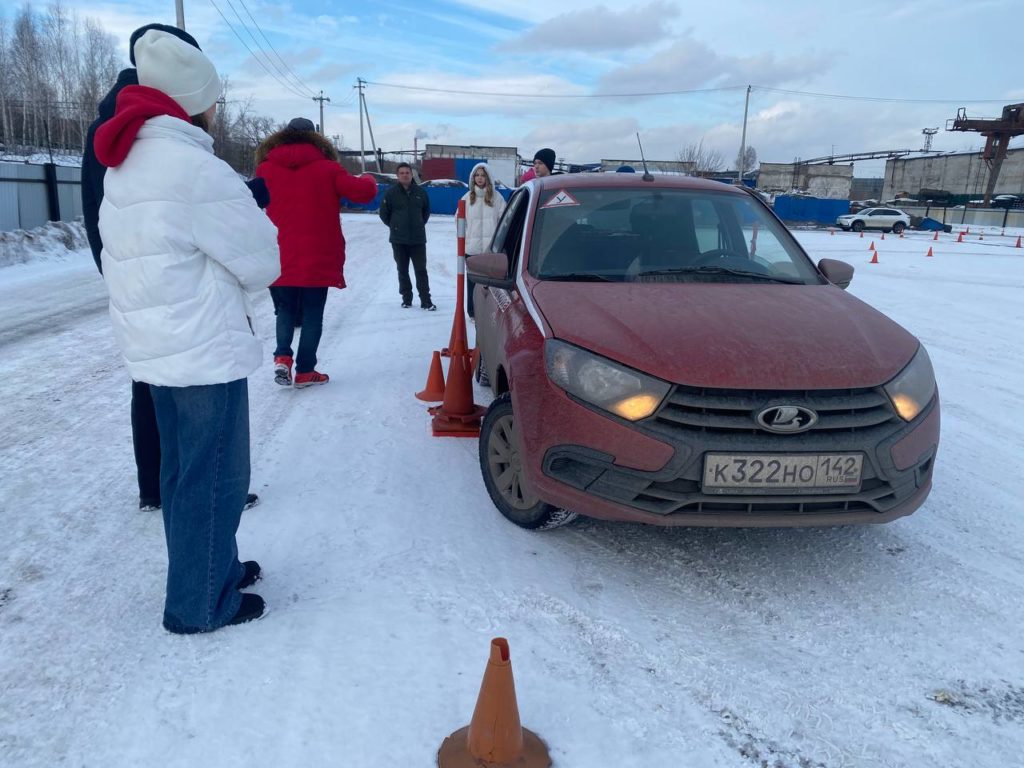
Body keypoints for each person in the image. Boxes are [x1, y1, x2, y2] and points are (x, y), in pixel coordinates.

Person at [94, 29, 280, 633]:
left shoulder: (125, 164)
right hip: (202, 348)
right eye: (213, 98)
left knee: (181, 475)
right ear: (192, 99)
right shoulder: (194, 167)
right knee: (218, 478)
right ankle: (200, 603)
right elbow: (262, 259)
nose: (216, 109)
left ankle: (211, 569)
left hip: (155, 348)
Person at [81, 23, 261, 513]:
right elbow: (251, 251)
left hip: (139, 280)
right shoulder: (160, 141)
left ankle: (159, 490)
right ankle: (179, 516)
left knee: (159, 399)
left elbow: (109, 217)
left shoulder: (119, 130)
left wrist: (121, 273)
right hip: (175, 290)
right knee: (200, 450)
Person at [255, 117, 377, 387]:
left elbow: (251, 201)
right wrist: (368, 178)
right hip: (317, 255)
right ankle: (306, 370)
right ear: (315, 138)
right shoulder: (328, 169)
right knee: (312, 314)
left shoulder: (265, 169)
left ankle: (282, 359)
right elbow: (363, 193)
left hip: (280, 253)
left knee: (284, 311)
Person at [379, 162, 434, 310]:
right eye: (402, 173)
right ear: (397, 176)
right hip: (399, 240)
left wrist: (418, 225)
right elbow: (384, 214)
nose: (405, 175)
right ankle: (406, 299)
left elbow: (426, 212)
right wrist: (395, 226)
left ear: (411, 174)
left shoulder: (420, 193)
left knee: (421, 270)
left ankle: (426, 300)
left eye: (407, 172)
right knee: (402, 270)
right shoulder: (390, 194)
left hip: (418, 239)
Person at [461, 162, 506, 318]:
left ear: (488, 177)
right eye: (477, 175)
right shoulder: (466, 198)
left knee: (492, 286)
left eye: (483, 175)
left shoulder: (497, 198)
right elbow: (459, 222)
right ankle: (472, 312)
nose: (480, 178)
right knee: (472, 283)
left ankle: (490, 314)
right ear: (473, 178)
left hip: (490, 251)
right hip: (472, 249)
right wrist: (466, 240)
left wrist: (498, 244)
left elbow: (504, 222)